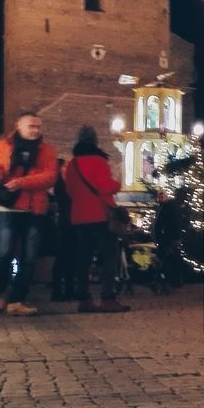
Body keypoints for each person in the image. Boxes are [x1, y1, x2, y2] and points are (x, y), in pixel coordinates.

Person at [0, 111, 58, 316]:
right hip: (8, 209)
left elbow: (50, 177)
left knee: (29, 258)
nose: (35, 130)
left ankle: (17, 300)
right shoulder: (4, 146)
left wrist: (21, 182)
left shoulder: (46, 150)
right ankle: (0, 291)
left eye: (38, 126)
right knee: (3, 253)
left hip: (35, 209)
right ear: (18, 125)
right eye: (31, 126)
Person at [64, 125, 130, 313]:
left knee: (83, 258)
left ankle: (84, 298)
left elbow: (70, 191)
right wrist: (117, 184)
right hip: (100, 216)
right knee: (109, 257)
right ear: (95, 141)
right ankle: (107, 297)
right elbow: (107, 186)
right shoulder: (99, 161)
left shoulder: (72, 164)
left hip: (79, 217)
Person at [50, 158, 75, 301]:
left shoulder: (61, 183)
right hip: (67, 222)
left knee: (68, 257)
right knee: (65, 257)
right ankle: (61, 289)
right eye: (64, 167)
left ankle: (64, 288)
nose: (66, 169)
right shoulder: (61, 184)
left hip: (68, 222)